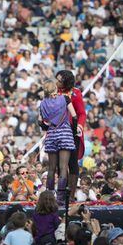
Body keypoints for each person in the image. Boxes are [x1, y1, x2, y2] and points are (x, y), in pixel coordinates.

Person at [39, 79, 77, 205]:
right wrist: (74, 130)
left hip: (51, 135)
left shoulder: (43, 103)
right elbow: (74, 115)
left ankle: (49, 197)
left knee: (51, 168)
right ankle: (60, 198)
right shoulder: (65, 99)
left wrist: (49, 126)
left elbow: (41, 122)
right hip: (65, 133)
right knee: (63, 167)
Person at [56, 70, 86, 201]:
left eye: (59, 80)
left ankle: (72, 195)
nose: (56, 82)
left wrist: (79, 126)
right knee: (59, 164)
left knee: (72, 163)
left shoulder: (76, 93)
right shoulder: (53, 92)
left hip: (72, 132)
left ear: (66, 82)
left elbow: (82, 113)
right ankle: (62, 193)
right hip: (57, 132)